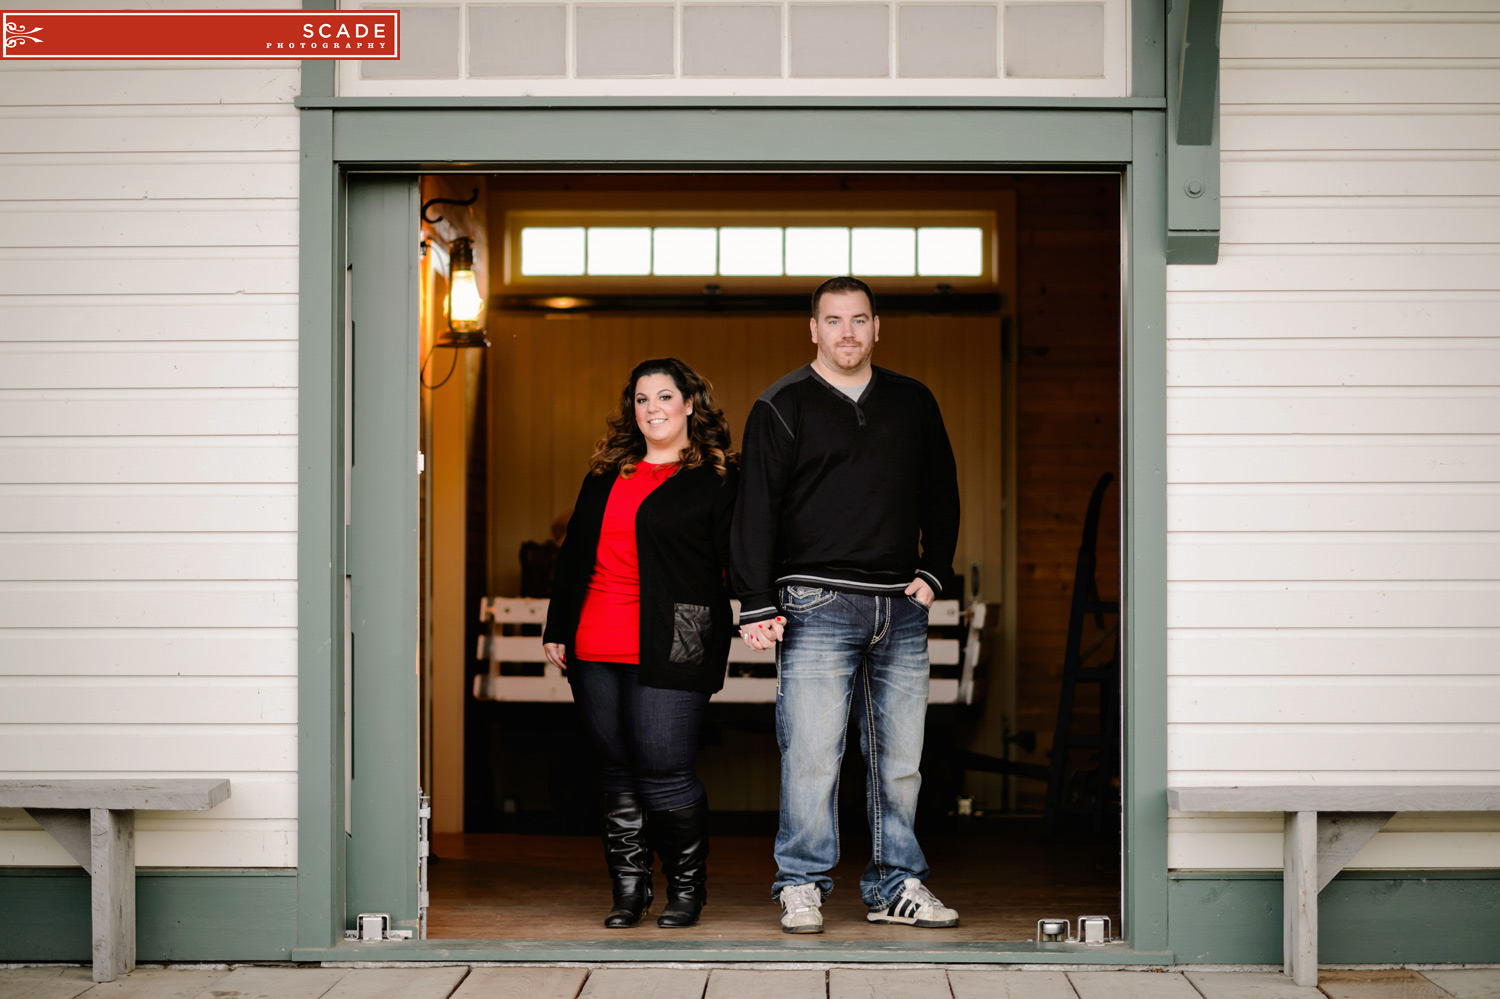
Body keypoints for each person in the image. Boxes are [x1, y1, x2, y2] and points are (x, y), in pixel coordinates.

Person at [731, 276, 962, 934]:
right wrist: (755, 599)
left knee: (901, 761)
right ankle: (801, 882)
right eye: (834, 321)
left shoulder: (913, 401)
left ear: (877, 326)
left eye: (859, 320)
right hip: (814, 602)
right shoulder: (782, 404)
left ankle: (896, 884)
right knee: (811, 754)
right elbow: (755, 509)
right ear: (814, 329)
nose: (848, 333)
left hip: (900, 605)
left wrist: (933, 571)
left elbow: (941, 490)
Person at [542, 358, 738, 929]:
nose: (653, 409)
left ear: (690, 404)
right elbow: (575, 552)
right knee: (617, 768)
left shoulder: (717, 478)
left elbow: (739, 556)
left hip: (678, 636)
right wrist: (559, 626)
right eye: (642, 399)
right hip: (596, 633)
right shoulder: (605, 474)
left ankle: (686, 890)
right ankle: (628, 892)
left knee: (665, 766)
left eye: (665, 397)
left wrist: (761, 607)